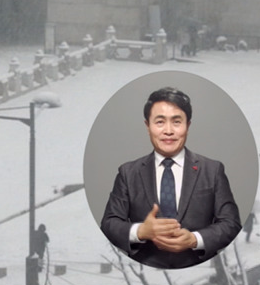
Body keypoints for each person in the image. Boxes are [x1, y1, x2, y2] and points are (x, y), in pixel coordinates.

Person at [100, 87, 241, 269]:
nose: (168, 131)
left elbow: (231, 223)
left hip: (200, 266)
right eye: (159, 122)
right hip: (143, 268)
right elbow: (109, 223)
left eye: (176, 122)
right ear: (147, 126)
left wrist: (194, 239)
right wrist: (141, 231)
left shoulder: (212, 170)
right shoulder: (128, 173)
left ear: (188, 126)